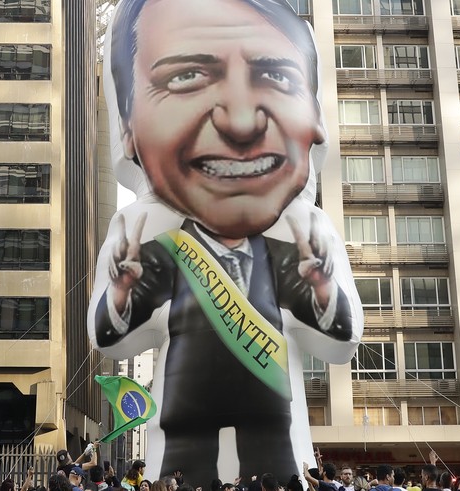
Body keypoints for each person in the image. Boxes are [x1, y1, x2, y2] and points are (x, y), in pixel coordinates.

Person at [90, 0, 362, 484]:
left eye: (276, 76)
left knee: (278, 474)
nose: (241, 122)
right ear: (127, 127)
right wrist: (120, 292)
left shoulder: (299, 241)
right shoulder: (148, 238)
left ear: (316, 119)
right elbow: (109, 335)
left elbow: (342, 336)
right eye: (185, 76)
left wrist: (322, 287)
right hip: (184, 414)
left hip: (272, 415)